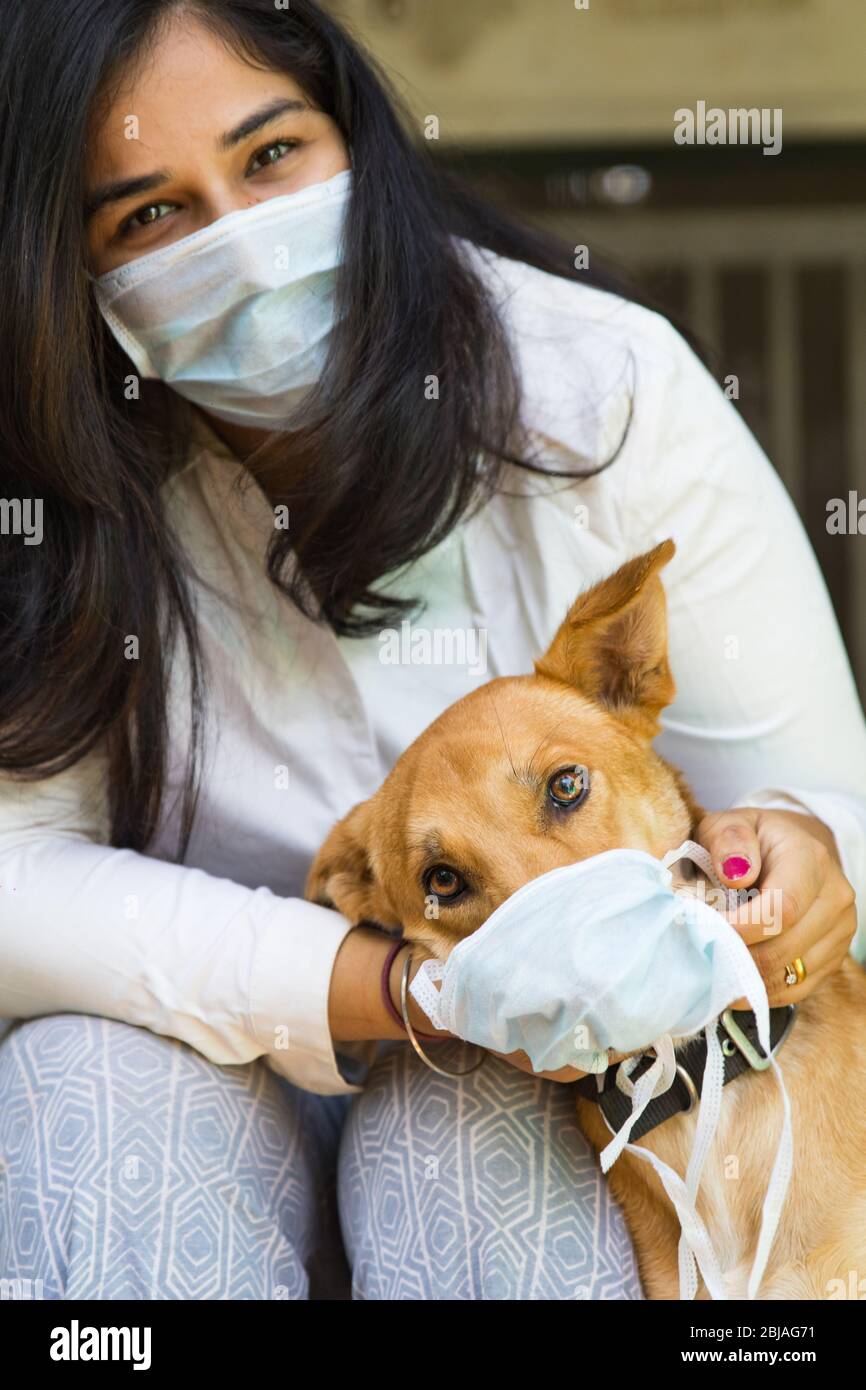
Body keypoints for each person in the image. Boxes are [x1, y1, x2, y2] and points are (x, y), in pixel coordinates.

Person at [0, 0, 863, 1301]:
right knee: (82, 1083)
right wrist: (404, 989)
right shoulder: (53, 493)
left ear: (354, 138)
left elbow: (828, 799)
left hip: (555, 1088)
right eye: (150, 214)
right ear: (66, 270)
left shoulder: (599, 392)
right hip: (211, 1070)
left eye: (271, 154)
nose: (239, 244)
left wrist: (798, 862)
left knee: (449, 1126)